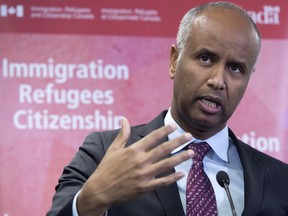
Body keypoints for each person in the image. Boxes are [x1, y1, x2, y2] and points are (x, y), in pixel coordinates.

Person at [47, 1, 288, 216]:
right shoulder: (105, 153)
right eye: (205, 58)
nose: (218, 80)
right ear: (174, 61)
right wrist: (90, 202)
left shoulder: (280, 180)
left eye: (235, 68)